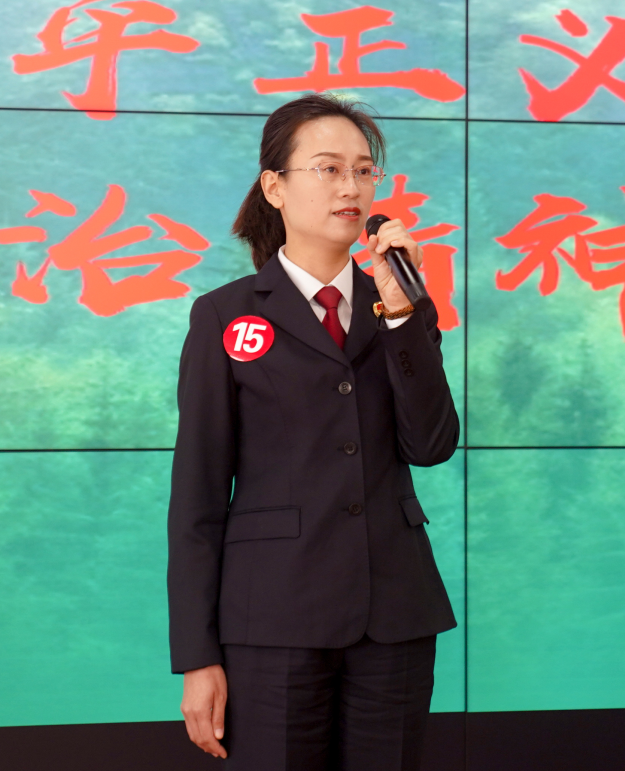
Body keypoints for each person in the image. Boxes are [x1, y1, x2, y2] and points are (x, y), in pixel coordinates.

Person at [167, 92, 459, 771]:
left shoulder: (400, 306)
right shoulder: (224, 315)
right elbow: (198, 499)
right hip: (271, 620)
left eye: (363, 170)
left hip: (394, 613)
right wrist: (197, 656)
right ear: (275, 187)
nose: (350, 187)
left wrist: (402, 316)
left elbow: (431, 445)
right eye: (328, 169)